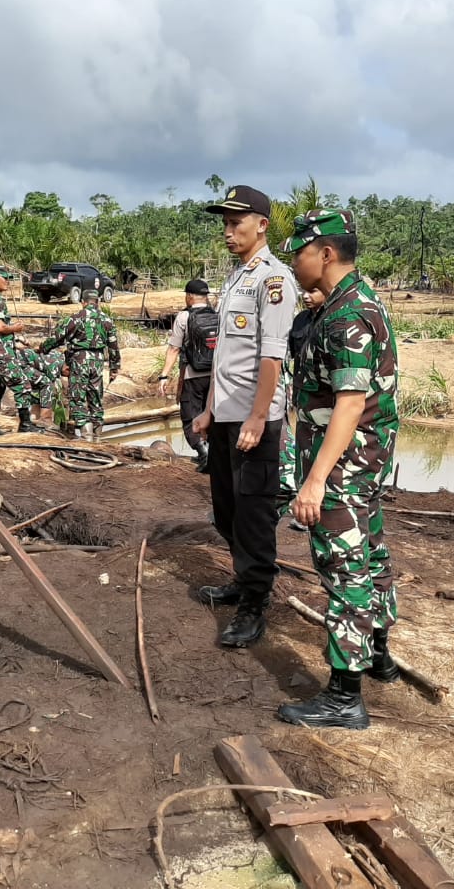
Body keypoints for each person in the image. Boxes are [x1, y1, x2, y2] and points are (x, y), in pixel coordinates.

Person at [278, 209, 400, 730]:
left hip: (344, 467)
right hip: (363, 463)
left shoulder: (348, 315)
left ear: (325, 253)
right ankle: (378, 655)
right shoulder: (350, 303)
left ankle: (344, 696)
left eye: (299, 254)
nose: (294, 264)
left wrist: (314, 479)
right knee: (370, 555)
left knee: (345, 570)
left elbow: (349, 405)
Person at [191, 184, 298, 648]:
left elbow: (271, 358)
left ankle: (255, 602)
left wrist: (258, 418)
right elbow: (224, 358)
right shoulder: (236, 277)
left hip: (258, 421)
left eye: (236, 223)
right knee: (226, 510)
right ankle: (241, 578)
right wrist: (210, 410)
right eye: (225, 224)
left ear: (262, 225)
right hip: (227, 415)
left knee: (254, 514)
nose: (228, 232)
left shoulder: (274, 280)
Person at [39, 288, 121, 440]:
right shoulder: (107, 320)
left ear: (83, 302)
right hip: (97, 362)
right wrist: (114, 367)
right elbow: (113, 346)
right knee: (95, 397)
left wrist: (43, 348)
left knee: (78, 398)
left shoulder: (75, 318)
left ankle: (85, 437)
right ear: (97, 302)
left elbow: (58, 337)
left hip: (79, 360)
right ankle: (98, 437)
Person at [157, 279, 217, 472]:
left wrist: (164, 376)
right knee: (213, 413)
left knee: (190, 415)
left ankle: (203, 452)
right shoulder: (218, 315)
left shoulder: (184, 317)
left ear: (190, 296)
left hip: (192, 375)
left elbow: (174, 349)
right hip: (216, 375)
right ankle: (214, 453)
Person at [278, 287, 326, 519]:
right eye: (304, 292)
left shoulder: (335, 319)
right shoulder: (300, 321)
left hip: (327, 402)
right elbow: (290, 358)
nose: (306, 296)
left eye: (313, 291)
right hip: (301, 396)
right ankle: (300, 502)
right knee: (301, 450)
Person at [0, 266, 43, 435]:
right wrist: (15, 328)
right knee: (22, 384)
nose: (8, 281)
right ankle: (25, 424)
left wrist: (15, 338)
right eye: (5, 277)